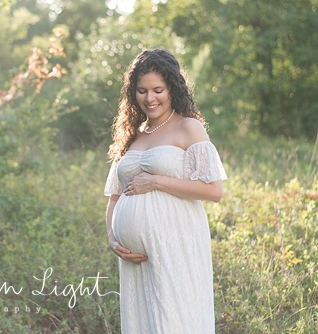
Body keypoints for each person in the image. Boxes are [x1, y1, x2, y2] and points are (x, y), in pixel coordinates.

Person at [103, 49, 227, 333]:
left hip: (176, 245)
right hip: (134, 260)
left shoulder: (188, 127)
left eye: (158, 90)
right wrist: (113, 239)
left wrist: (157, 181)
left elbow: (213, 190)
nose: (150, 98)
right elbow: (114, 195)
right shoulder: (132, 135)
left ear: (172, 88)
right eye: (142, 91)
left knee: (174, 321)